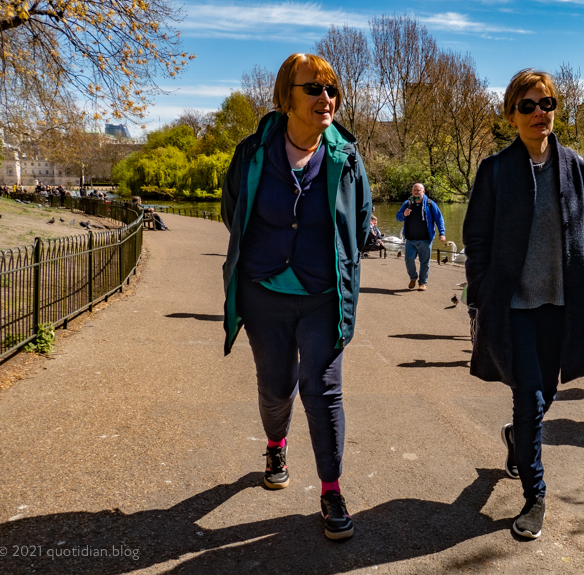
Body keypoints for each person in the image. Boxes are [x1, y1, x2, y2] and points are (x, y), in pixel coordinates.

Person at [221, 53, 371, 541]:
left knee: (322, 389)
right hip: (264, 293)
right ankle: (275, 443)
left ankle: (331, 490)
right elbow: (232, 211)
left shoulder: (346, 156)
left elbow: (359, 219)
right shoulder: (252, 152)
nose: (326, 99)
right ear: (286, 97)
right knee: (276, 385)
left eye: (332, 91)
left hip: (323, 296)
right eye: (314, 89)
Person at [463, 69, 584, 539]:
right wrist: (480, 289)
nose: (541, 112)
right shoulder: (495, 171)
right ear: (511, 115)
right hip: (515, 306)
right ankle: (535, 495)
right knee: (528, 396)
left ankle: (518, 440)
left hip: (563, 304)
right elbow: (476, 237)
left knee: (548, 392)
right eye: (529, 105)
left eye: (548, 103)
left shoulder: (578, 168)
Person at [395, 183, 446, 291]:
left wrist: (442, 233)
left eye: (418, 190)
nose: (416, 192)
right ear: (412, 192)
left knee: (425, 263)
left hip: (425, 240)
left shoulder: (430, 204)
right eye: (414, 190)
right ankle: (413, 277)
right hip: (410, 240)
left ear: (423, 192)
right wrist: (403, 214)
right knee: (408, 259)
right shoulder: (407, 203)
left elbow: (439, 219)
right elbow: (398, 217)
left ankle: (422, 283)